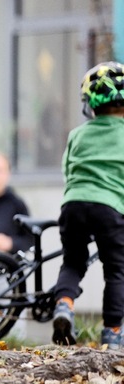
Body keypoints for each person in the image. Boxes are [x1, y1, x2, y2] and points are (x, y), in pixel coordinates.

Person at [52, 61, 124, 349]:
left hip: (73, 204)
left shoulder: (77, 134)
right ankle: (113, 332)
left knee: (72, 261)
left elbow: (67, 170)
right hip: (109, 206)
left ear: (90, 105)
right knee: (117, 270)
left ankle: (64, 305)